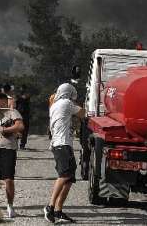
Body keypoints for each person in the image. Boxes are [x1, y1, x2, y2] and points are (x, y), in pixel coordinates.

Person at [45, 83, 86, 224]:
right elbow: (83, 113)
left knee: (69, 179)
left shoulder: (55, 105)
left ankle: (58, 210)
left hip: (62, 144)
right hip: (61, 144)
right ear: (69, 94)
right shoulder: (66, 103)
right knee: (64, 176)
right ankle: (50, 207)